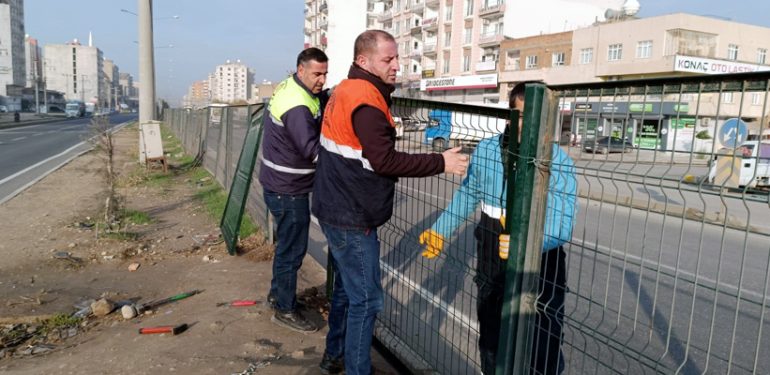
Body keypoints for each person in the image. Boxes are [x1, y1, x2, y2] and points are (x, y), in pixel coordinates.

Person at [311, 30, 469, 375]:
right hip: (350, 215)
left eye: (397, 57)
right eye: (388, 59)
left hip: (335, 205)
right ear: (363, 61)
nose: (397, 65)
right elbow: (384, 161)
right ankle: (355, 368)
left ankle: (334, 354)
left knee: (347, 291)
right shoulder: (366, 102)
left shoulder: (347, 89)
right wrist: (441, 162)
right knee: (367, 300)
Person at [419, 82, 577, 375]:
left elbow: (562, 223)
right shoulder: (488, 150)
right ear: (510, 115)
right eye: (524, 116)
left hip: (541, 259)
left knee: (543, 334)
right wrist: (441, 229)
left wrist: (526, 243)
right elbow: (469, 193)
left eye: (540, 118)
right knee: (491, 327)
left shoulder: (559, 162)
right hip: (492, 244)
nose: (532, 125)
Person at [258, 47, 329, 333]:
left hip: (280, 185)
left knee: (287, 246)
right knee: (292, 250)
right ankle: (284, 310)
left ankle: (278, 295)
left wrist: (331, 93)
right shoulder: (297, 106)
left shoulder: (293, 87)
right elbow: (311, 150)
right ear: (301, 71)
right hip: (288, 190)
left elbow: (318, 97)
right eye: (317, 74)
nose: (322, 80)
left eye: (325, 74)